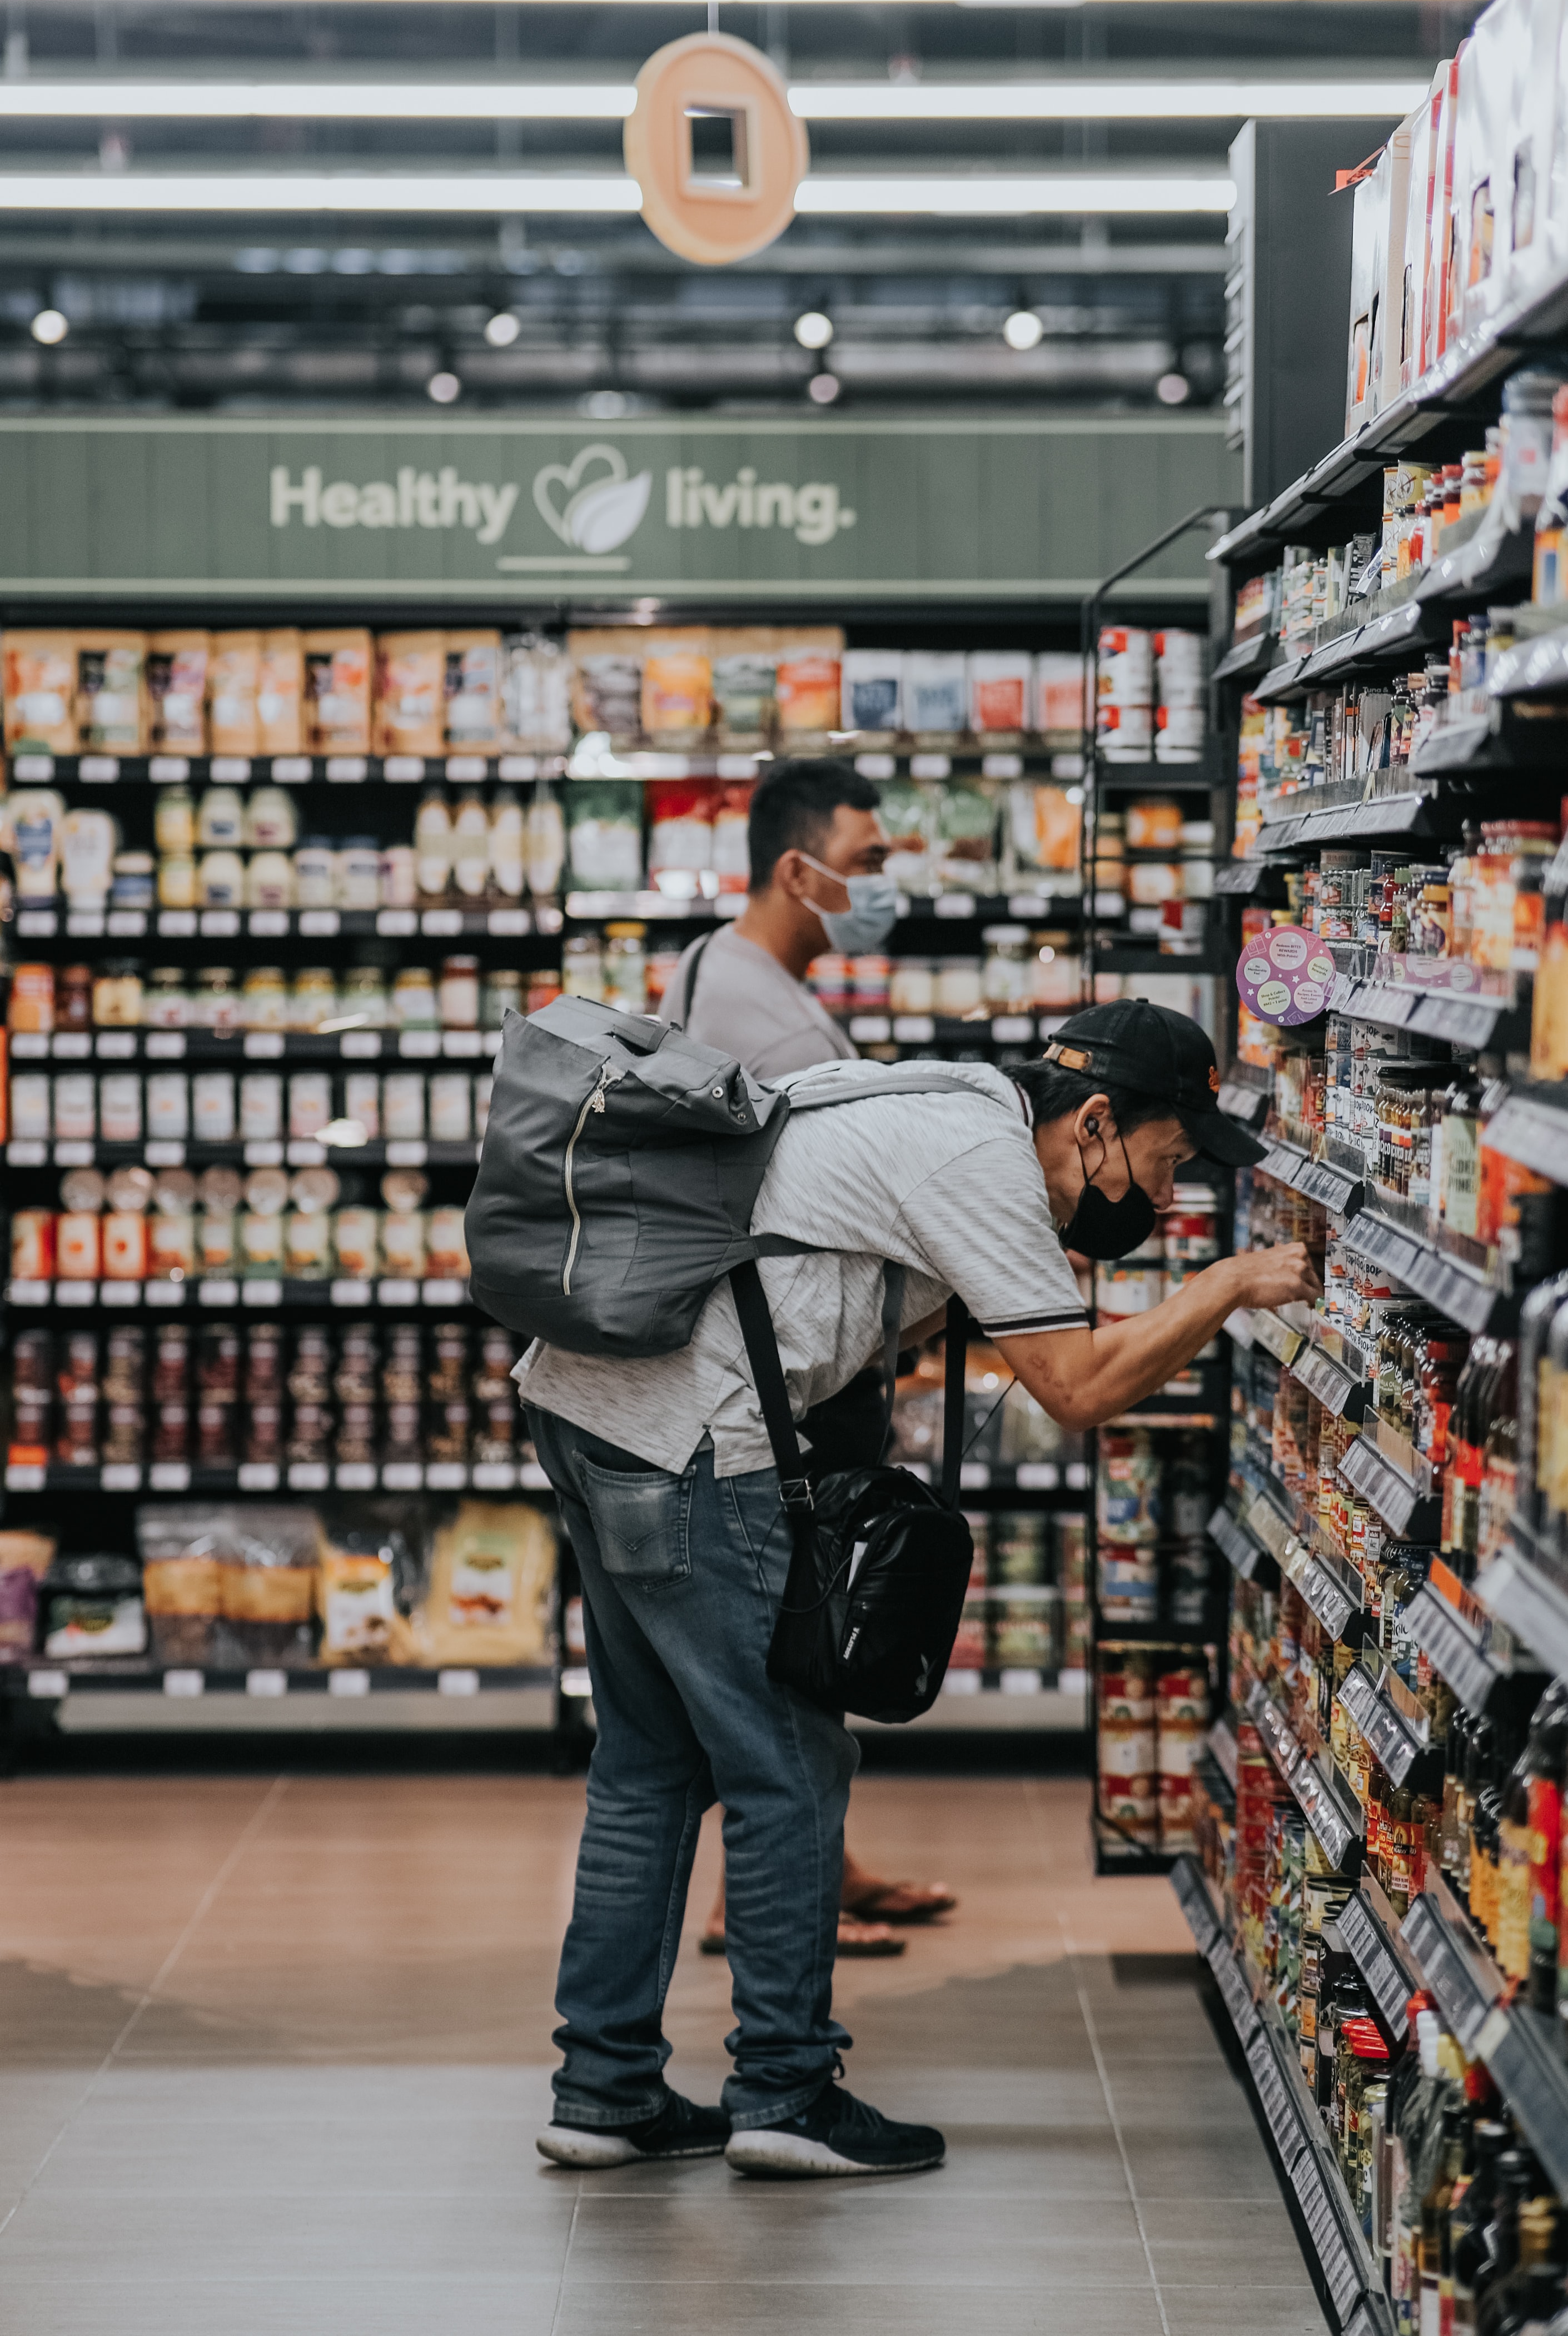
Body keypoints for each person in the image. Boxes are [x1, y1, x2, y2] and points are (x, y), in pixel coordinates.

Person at [522, 977, 1318, 2180]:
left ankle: (605, 2090)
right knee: (788, 1766)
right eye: (1165, 1161)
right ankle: (784, 2090)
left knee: (648, 1763)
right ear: (1093, 1122)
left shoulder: (939, 1095)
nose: (1167, 1195)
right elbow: (1079, 1387)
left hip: (589, 1409)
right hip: (692, 1443)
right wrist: (1224, 1285)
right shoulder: (983, 1158)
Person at [661, 760, 956, 1961]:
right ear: (801, 868)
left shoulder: (716, 965)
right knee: (801, 1645)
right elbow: (842, 1210)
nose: (884, 884)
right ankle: (773, 1905)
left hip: (738, 1361)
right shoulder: (775, 1017)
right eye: (871, 861)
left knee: (787, 1653)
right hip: (778, 1380)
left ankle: (821, 1867)